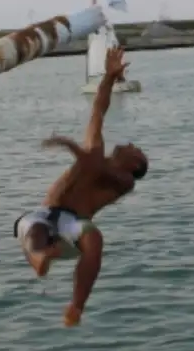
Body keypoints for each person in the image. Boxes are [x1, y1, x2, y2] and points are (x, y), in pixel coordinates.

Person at [13, 46, 148, 327]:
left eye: (137, 151)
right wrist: (109, 77)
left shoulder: (124, 182)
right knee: (34, 229)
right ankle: (40, 259)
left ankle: (76, 307)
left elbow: (94, 166)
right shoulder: (96, 149)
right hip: (43, 213)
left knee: (94, 238)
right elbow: (99, 109)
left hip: (72, 227)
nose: (132, 145)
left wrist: (71, 146)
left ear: (134, 166)